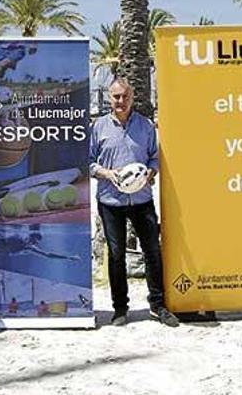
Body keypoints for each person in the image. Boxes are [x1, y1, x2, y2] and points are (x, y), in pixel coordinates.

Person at [89, 76, 179, 327]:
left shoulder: (146, 126)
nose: (121, 101)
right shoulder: (98, 128)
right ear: (109, 98)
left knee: (152, 252)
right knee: (116, 255)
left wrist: (150, 173)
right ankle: (120, 309)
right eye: (116, 96)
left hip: (141, 200)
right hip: (110, 202)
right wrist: (108, 174)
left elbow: (153, 159)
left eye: (125, 96)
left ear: (132, 97)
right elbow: (88, 162)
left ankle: (158, 306)